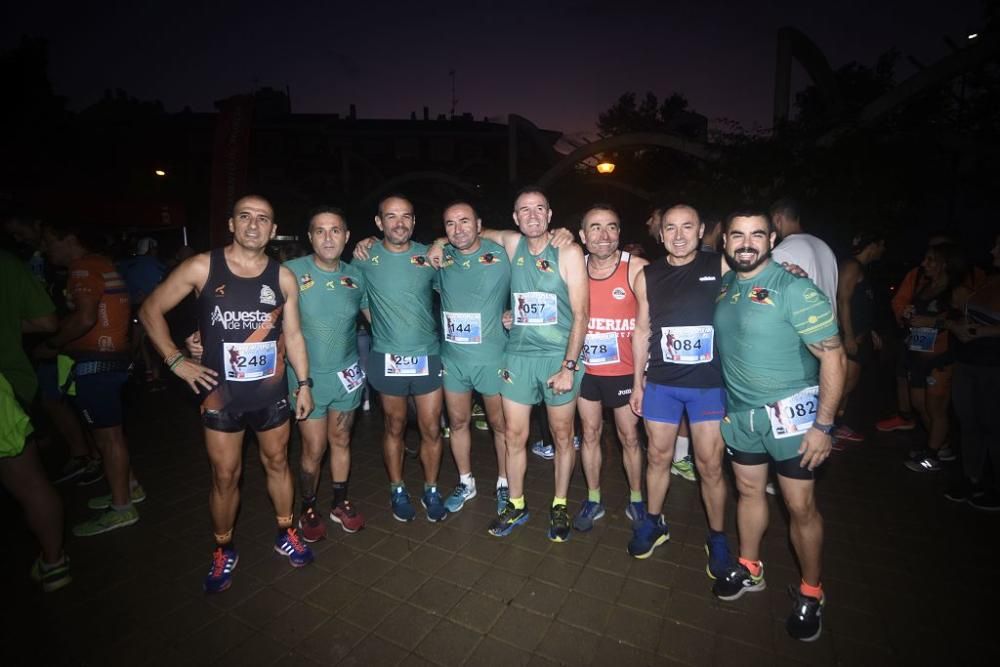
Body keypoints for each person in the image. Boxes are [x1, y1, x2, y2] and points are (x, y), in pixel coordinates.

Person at [140, 194, 316, 593]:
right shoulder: (202, 266)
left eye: (263, 219)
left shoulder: (282, 277)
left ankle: (285, 532)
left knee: (277, 464)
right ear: (232, 224)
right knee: (225, 476)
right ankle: (224, 549)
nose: (254, 225)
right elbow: (150, 309)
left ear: (273, 231)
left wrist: (303, 384)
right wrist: (174, 360)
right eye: (245, 217)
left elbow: (293, 335)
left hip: (271, 395)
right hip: (221, 396)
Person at [712, 210, 845, 643]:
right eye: (737, 235)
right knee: (749, 492)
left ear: (772, 238)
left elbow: (834, 357)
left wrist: (823, 426)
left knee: (800, 506)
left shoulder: (796, 288)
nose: (746, 243)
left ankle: (811, 591)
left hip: (792, 418)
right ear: (726, 241)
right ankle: (750, 566)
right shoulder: (727, 286)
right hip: (742, 416)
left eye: (756, 235)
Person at [628, 204, 730, 576]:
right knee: (658, 457)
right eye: (670, 228)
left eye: (687, 227)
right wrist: (637, 381)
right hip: (662, 383)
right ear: (661, 232)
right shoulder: (648, 275)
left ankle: (717, 537)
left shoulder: (721, 266)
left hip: (707, 384)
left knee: (710, 465)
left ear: (701, 229)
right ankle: (654, 522)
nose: (679, 234)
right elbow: (641, 331)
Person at [483, 187, 588, 542]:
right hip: (518, 357)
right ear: (515, 218)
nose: (531, 215)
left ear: (549, 214)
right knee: (514, 435)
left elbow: (582, 314)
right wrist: (438, 243)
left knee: (562, 436)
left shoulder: (568, 251)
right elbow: (469, 231)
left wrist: (569, 367)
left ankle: (560, 504)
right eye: (523, 209)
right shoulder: (513, 245)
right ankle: (516, 503)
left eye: (539, 208)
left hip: (558, 359)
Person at [37, 220, 143, 536]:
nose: (45, 250)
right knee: (110, 432)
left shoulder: (83, 268)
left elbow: (84, 318)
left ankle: (122, 507)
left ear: (69, 238)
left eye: (48, 242)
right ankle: (129, 486)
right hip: (110, 359)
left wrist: (52, 344)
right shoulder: (102, 264)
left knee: (106, 436)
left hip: (98, 362)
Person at [352, 195, 448, 522]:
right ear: (379, 223)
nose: (399, 223)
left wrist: (439, 241)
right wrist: (382, 326)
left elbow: (456, 283)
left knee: (431, 428)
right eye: (391, 217)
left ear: (414, 221)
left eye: (406, 216)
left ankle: (431, 489)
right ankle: (397, 487)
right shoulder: (365, 258)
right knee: (393, 426)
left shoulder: (427, 255)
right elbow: (357, 297)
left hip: (427, 356)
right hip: (387, 357)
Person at [283, 207, 368, 538]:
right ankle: (307, 507)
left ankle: (340, 502)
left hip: (347, 376)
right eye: (320, 230)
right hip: (307, 378)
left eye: (336, 230)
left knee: (342, 439)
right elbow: (258, 310)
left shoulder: (356, 276)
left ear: (347, 237)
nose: (328, 237)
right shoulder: (290, 272)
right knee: (313, 448)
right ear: (310, 237)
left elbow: (378, 316)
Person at [432, 201, 512, 514]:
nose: (458, 229)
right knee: (458, 422)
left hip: (493, 357)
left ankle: (505, 482)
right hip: (453, 360)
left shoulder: (502, 252)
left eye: (465, 221)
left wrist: (515, 313)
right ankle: (466, 482)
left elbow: (532, 278)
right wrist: (437, 244)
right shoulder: (440, 257)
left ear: (479, 224)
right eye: (450, 224)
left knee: (499, 424)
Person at [573, 204, 647, 532]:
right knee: (589, 434)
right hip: (585, 371)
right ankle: (593, 499)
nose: (604, 236)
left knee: (629, 437)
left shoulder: (636, 269)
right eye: (595, 227)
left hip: (624, 373)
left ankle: (637, 500)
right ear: (582, 235)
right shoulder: (573, 267)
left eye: (612, 227)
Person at [0, 249, 71, 591]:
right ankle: (54, 561)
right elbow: (46, 321)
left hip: (9, 386)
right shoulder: (9, 265)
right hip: (11, 383)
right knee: (29, 480)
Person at [899, 243, 967, 471]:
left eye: (930, 260)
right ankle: (941, 444)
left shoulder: (957, 291)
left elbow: (965, 326)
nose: (924, 264)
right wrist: (909, 315)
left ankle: (932, 456)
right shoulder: (926, 286)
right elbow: (917, 316)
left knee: (936, 408)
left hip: (941, 358)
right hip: (917, 354)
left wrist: (933, 322)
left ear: (944, 264)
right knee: (920, 405)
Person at [946, 233, 1000, 509]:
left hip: (993, 366)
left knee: (993, 426)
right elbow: (964, 316)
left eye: (998, 244)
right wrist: (958, 326)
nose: (993, 250)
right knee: (969, 423)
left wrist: (983, 331)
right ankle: (973, 479)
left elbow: (987, 325)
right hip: (968, 361)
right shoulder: (989, 281)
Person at [832, 230, 885, 446]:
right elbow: (842, 301)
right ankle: (826, 429)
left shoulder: (860, 269)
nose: (884, 250)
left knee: (848, 386)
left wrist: (869, 331)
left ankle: (837, 426)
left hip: (861, 337)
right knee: (841, 386)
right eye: (882, 245)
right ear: (872, 245)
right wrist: (849, 337)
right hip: (849, 338)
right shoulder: (851, 266)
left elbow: (859, 306)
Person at [770, 198, 839, 315]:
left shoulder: (781, 252)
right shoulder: (824, 246)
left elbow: (773, 302)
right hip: (830, 329)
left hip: (804, 330)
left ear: (777, 219)